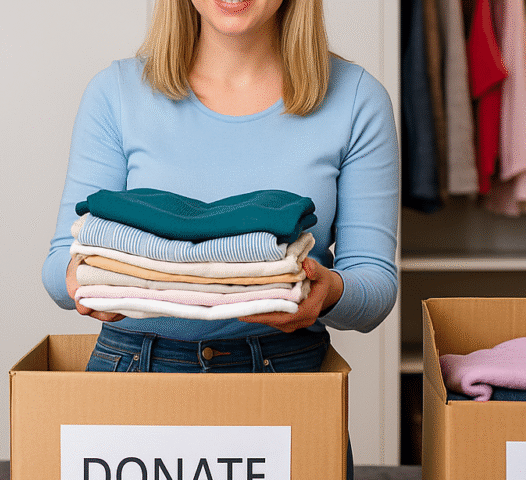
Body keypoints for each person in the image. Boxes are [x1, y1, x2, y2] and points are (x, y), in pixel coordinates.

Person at [42, 0, 399, 474]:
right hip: (133, 376)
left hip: (283, 379)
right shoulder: (117, 93)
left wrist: (329, 290)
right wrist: (83, 278)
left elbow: (375, 282)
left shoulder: (355, 98)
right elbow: (58, 267)